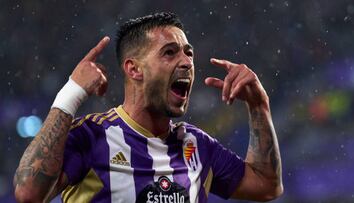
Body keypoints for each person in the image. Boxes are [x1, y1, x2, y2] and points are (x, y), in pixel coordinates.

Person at [13, 12, 283, 203]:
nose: (187, 62)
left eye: (188, 52)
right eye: (170, 52)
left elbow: (267, 186)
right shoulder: (92, 136)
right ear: (134, 69)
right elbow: (28, 193)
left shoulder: (197, 146)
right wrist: (70, 93)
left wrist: (259, 105)